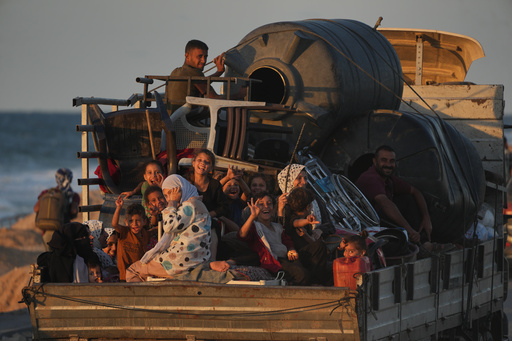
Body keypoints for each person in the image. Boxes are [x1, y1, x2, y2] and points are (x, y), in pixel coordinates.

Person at [126, 174, 232, 282]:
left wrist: (172, 202)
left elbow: (169, 226)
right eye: (166, 196)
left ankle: (145, 298)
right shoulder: (196, 203)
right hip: (193, 259)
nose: (169, 198)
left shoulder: (190, 206)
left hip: (180, 260)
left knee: (133, 270)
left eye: (171, 193)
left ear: (181, 189)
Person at [355, 145, 432, 245]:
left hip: (382, 220)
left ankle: (424, 242)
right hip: (368, 226)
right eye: (384, 160)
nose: (388, 164)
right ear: (374, 161)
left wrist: (426, 218)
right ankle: (419, 243)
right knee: (392, 208)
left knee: (407, 199)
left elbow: (415, 191)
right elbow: (385, 204)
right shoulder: (370, 178)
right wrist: (409, 230)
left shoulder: (389, 179)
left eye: (392, 161)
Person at [238, 192, 319, 286]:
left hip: (288, 257)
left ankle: (316, 283)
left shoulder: (277, 227)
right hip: (275, 262)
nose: (266, 207)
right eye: (261, 204)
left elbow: (287, 240)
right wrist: (252, 216)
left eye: (269, 204)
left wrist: (291, 249)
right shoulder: (255, 226)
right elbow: (242, 235)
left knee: (318, 247)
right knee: (301, 274)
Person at [165, 39, 246, 114]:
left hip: (172, 119)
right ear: (187, 56)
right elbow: (214, 99)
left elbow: (199, 83)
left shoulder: (175, 72)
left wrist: (218, 72)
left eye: (205, 57)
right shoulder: (194, 73)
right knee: (228, 116)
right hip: (186, 121)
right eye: (199, 56)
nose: (203, 61)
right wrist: (239, 95)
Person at [34, 168, 81, 251]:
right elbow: (73, 211)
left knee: (50, 256)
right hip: (63, 231)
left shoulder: (46, 192)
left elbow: (36, 209)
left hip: (46, 231)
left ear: (56, 179)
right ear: (70, 179)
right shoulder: (73, 195)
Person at [112, 199, 150, 281]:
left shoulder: (145, 234)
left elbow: (154, 229)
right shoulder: (124, 232)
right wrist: (119, 207)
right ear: (126, 222)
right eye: (131, 221)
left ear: (144, 221)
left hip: (139, 275)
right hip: (124, 276)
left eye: (138, 221)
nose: (134, 224)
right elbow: (114, 224)